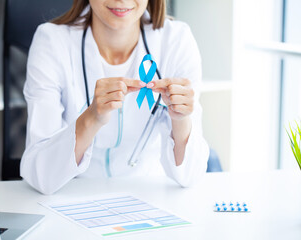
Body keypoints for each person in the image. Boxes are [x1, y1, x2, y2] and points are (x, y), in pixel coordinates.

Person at [21, 0, 209, 195]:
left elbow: (190, 175)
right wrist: (91, 117)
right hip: (72, 192)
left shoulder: (176, 40)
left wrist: (181, 120)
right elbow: (39, 175)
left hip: (151, 193)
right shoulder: (52, 41)